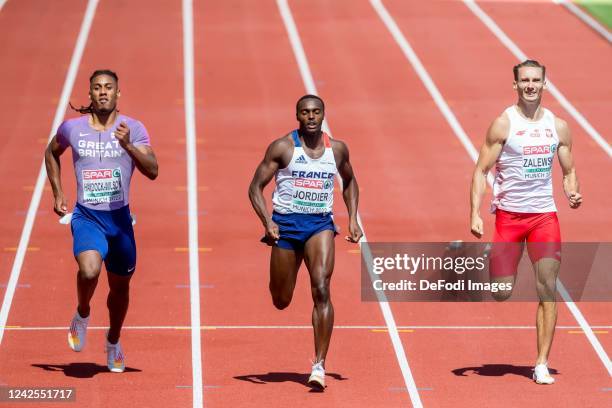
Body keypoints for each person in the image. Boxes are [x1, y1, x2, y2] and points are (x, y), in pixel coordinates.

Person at [470, 60, 582, 384]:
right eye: (525, 81)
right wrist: (475, 212)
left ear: (545, 84)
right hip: (509, 217)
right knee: (502, 292)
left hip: (544, 217)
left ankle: (542, 363)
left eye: (536, 80)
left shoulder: (558, 126)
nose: (530, 85)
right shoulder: (503, 125)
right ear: (515, 85)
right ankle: (501, 263)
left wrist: (572, 192)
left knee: (547, 288)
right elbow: (480, 170)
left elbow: (569, 170)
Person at [44, 69, 158, 373]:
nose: (103, 92)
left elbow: (153, 170)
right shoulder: (72, 128)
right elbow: (51, 152)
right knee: (90, 270)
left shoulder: (132, 128)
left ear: (118, 94)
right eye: (97, 87)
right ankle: (82, 313)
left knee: (120, 289)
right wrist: (58, 192)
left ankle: (113, 340)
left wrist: (129, 147)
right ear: (91, 94)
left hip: (120, 222)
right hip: (87, 216)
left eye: (109, 87)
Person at [248, 95, 363, 389]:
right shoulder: (283, 148)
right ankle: (281, 289)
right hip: (285, 227)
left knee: (322, 288)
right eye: (305, 112)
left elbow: (349, 181)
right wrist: (268, 222)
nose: (311, 117)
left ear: (323, 115)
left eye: (316, 112)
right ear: (297, 116)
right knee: (280, 300)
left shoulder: (336, 150)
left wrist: (352, 218)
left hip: (319, 225)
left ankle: (319, 365)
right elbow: (255, 188)